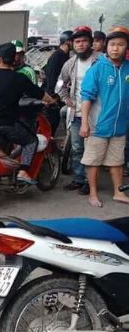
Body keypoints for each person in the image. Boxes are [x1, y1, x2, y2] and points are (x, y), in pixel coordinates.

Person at [0, 42, 56, 184]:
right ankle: (23, 172)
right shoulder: (19, 78)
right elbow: (40, 94)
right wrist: (52, 101)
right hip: (6, 125)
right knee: (31, 140)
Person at [79, 27, 129, 207]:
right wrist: (84, 123)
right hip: (97, 125)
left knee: (117, 161)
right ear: (107, 46)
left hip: (119, 126)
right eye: (112, 44)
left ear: (126, 47)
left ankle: (118, 192)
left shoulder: (127, 68)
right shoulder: (98, 68)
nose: (115, 48)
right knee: (93, 161)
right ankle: (93, 193)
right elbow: (86, 98)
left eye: (120, 45)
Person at [57, 26, 100, 195]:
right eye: (77, 42)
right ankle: (79, 179)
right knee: (77, 148)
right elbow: (60, 84)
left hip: (97, 113)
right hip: (76, 113)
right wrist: (67, 100)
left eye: (84, 41)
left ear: (91, 43)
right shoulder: (70, 63)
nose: (81, 45)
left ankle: (90, 182)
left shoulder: (101, 60)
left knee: (93, 149)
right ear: (73, 44)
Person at [43, 30, 73, 95]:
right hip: (54, 94)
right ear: (67, 41)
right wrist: (53, 95)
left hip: (61, 93)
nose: (75, 43)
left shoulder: (65, 55)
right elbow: (52, 79)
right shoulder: (57, 57)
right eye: (73, 41)